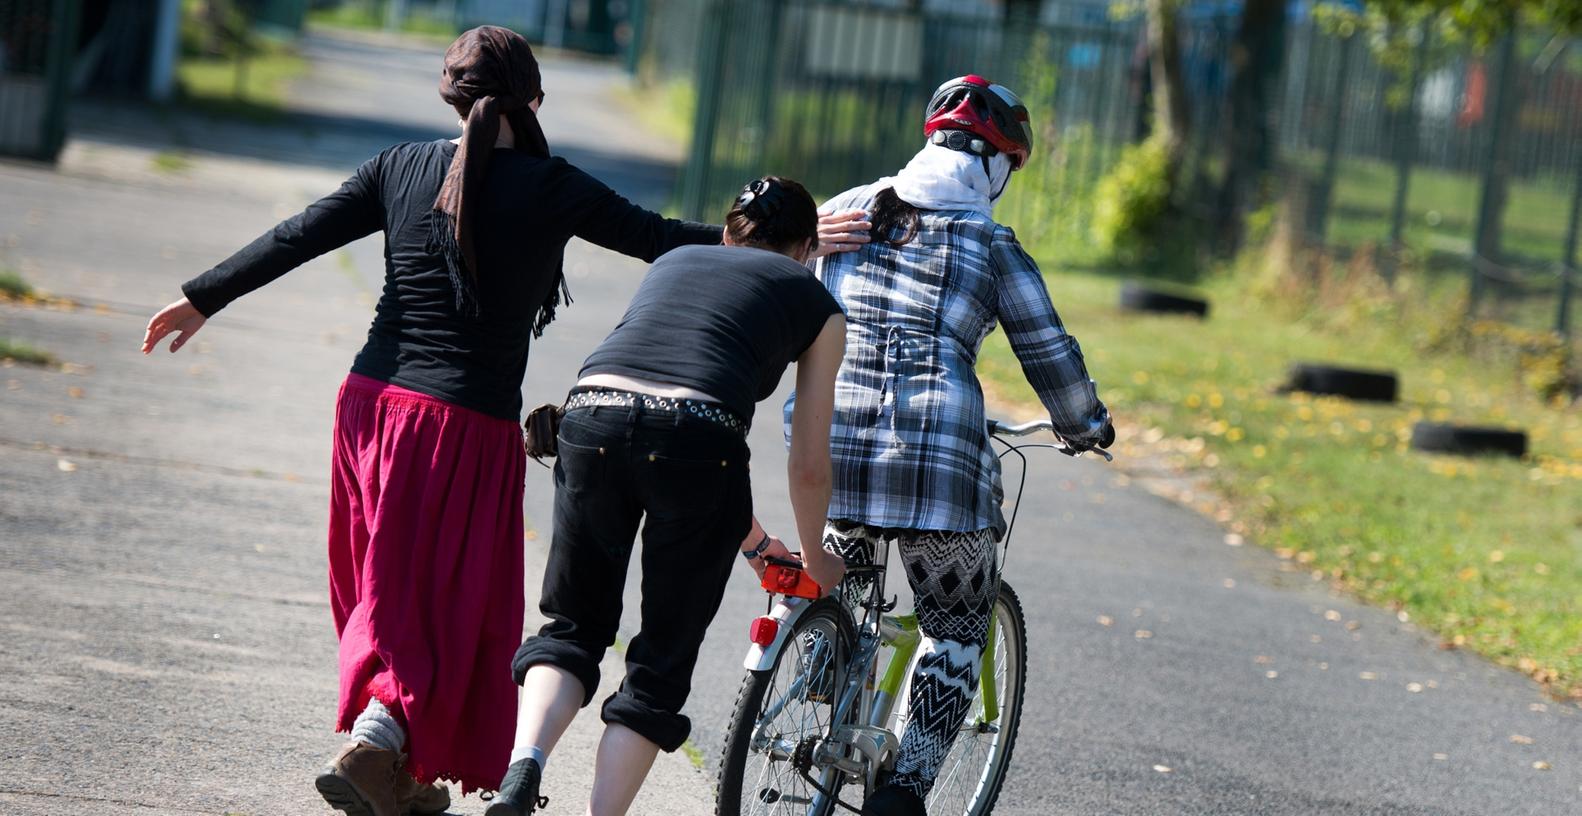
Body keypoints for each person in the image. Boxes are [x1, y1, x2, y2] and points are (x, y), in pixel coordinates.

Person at [140, 26, 730, 816]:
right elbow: (663, 240)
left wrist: (202, 296)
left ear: (446, 95)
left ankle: (406, 773)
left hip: (369, 410)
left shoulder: (396, 167)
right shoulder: (554, 186)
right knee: (448, 605)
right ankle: (381, 735)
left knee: (386, 591)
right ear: (536, 98)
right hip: (459, 429)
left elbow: (299, 235)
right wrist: (775, 244)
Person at [790, 75, 1115, 816]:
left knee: (842, 577)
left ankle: (814, 667)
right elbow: (1047, 350)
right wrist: (1085, 423)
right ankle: (904, 793)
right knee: (957, 628)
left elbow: (775, 268)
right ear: (996, 168)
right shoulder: (989, 242)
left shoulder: (839, 214)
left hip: (828, 439)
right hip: (937, 458)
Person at [485, 177, 848, 816]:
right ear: (807, 249)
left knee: (571, 628)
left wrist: (758, 545)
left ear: (730, 230)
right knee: (658, 662)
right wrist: (817, 560)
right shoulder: (814, 300)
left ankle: (523, 771)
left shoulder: (679, 259)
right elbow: (804, 462)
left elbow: (652, 410)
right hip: (697, 439)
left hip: (590, 414)